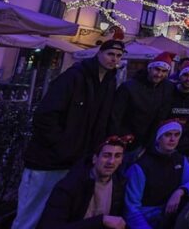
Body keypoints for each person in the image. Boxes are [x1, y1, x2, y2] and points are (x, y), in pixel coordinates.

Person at [14, 39, 123, 229]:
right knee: (30, 215)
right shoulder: (74, 77)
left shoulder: (109, 82)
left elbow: (101, 120)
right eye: (110, 54)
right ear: (99, 53)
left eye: (118, 56)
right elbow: (45, 116)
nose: (114, 59)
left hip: (76, 162)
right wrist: (62, 147)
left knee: (57, 216)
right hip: (47, 161)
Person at [37, 137, 127, 229]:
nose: (111, 162)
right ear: (95, 159)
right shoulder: (70, 185)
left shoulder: (119, 184)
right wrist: (100, 221)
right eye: (106, 155)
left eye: (117, 156)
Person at [124, 121, 189, 228]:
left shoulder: (180, 159)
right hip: (146, 220)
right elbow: (131, 209)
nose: (173, 139)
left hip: (169, 217)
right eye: (168, 135)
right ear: (158, 138)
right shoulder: (141, 166)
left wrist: (181, 191)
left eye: (176, 134)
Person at [109, 52, 176, 157]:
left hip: (148, 142)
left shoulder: (167, 88)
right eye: (157, 69)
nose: (159, 74)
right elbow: (115, 115)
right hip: (127, 141)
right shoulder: (129, 87)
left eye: (164, 71)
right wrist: (119, 136)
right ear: (149, 68)